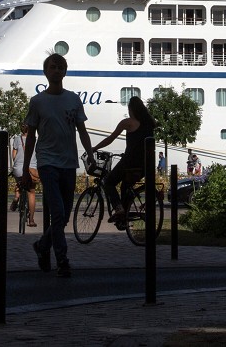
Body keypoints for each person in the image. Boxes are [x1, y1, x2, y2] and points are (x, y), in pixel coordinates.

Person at [20, 53, 94, 277]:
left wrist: (90, 154)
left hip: (69, 163)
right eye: (53, 67)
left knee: (65, 214)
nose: (57, 70)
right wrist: (25, 168)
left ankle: (42, 246)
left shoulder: (73, 99)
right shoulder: (37, 102)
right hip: (47, 163)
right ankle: (62, 260)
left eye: (60, 67)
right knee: (58, 212)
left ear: (66, 71)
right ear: (45, 72)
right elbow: (30, 136)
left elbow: (82, 130)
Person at [91, 95, 155, 225]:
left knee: (108, 182)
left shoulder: (128, 122)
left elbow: (110, 138)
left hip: (130, 162)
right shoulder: (150, 122)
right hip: (145, 165)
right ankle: (123, 218)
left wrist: (95, 148)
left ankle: (119, 209)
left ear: (131, 109)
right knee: (125, 186)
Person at [11, 126, 38, 227]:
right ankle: (31, 220)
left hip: (19, 168)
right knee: (31, 192)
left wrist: (18, 162)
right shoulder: (36, 141)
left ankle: (17, 196)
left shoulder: (17, 139)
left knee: (20, 183)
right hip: (31, 169)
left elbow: (14, 156)